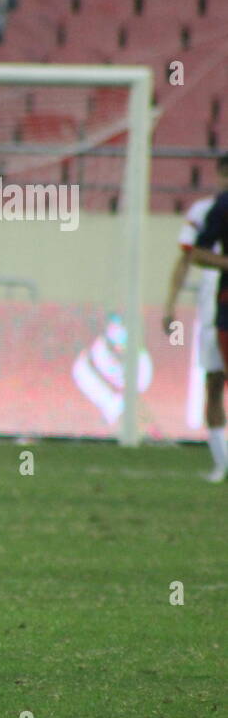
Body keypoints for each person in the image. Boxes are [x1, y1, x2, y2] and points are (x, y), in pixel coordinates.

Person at [167, 154, 228, 482]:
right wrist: (170, 304)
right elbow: (187, 258)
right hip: (213, 306)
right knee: (214, 384)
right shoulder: (205, 211)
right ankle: (222, 463)